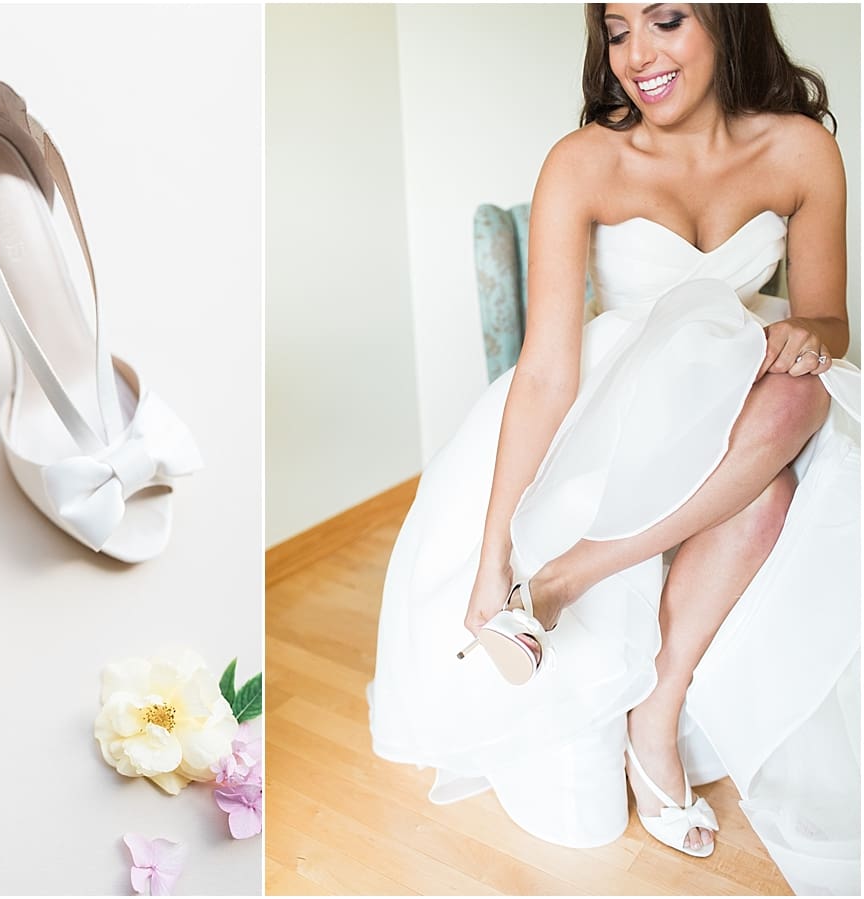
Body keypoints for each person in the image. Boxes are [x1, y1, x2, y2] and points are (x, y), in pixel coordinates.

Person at [368, 4, 860, 893]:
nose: (638, 55)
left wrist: (809, 334)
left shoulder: (799, 150)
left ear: (726, 18)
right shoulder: (584, 159)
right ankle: (549, 600)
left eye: (665, 20)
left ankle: (605, 640)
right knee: (770, 494)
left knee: (807, 391)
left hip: (748, 384)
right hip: (617, 395)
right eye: (617, 30)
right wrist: (492, 558)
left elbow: (831, 319)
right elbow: (548, 368)